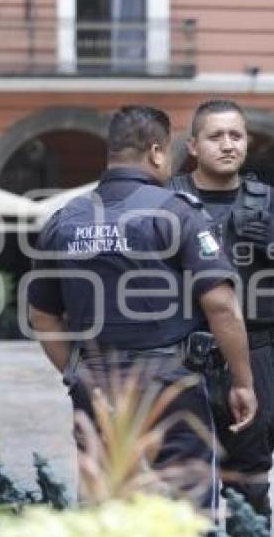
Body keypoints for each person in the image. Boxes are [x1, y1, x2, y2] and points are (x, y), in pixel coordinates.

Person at [26, 105, 257, 510]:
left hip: (97, 388)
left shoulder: (64, 220)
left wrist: (76, 370)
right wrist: (243, 383)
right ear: (156, 152)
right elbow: (222, 307)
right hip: (170, 387)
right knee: (187, 510)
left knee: (106, 506)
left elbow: (42, 316)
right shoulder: (177, 212)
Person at [168, 99, 274, 526]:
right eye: (216, 136)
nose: (228, 145)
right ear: (194, 145)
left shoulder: (268, 202)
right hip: (182, 355)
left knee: (251, 480)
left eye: (236, 135)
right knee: (182, 482)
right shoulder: (167, 199)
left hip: (253, 351)